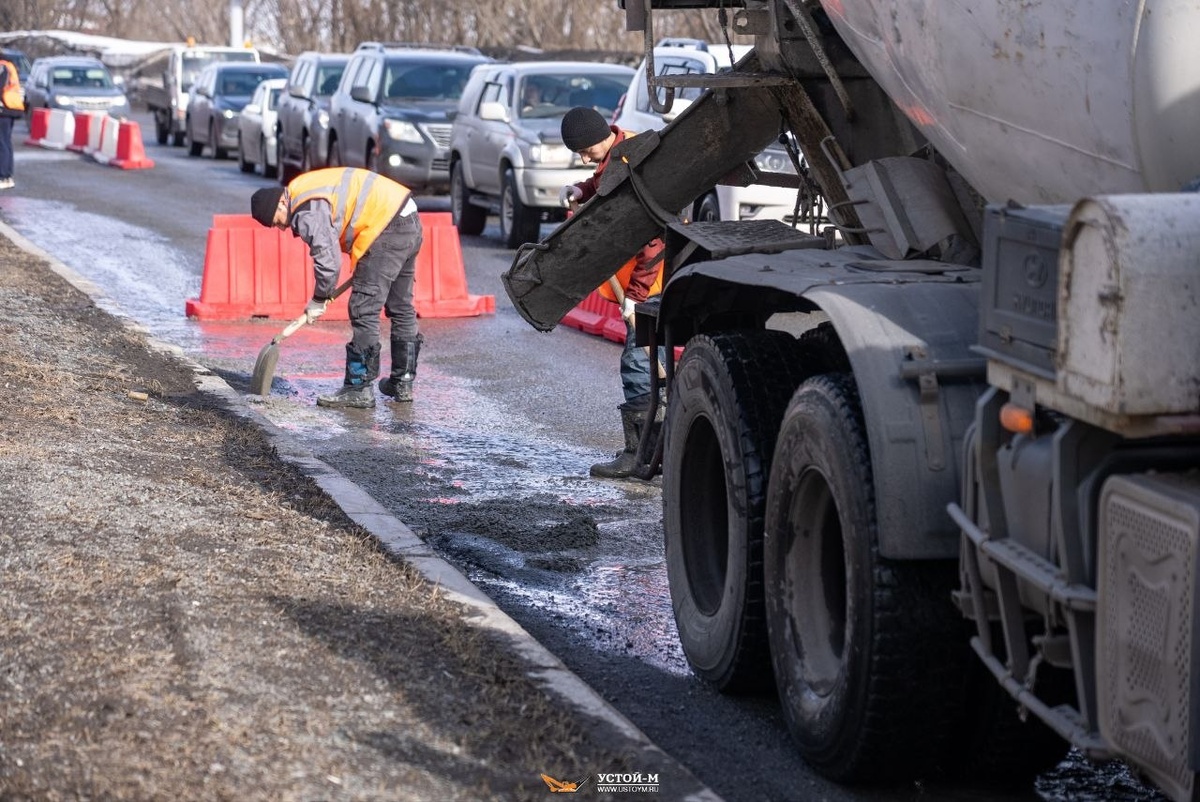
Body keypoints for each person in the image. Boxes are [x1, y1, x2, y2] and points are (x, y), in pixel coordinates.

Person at [249, 167, 424, 409]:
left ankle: (358, 388)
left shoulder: (305, 207)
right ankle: (402, 382)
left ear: (280, 204)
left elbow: (328, 260)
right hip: (407, 216)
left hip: (386, 226)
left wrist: (319, 299)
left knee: (363, 308)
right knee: (400, 305)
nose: (282, 229)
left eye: (276, 222)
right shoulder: (303, 187)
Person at [557, 106, 666, 480]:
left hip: (653, 284)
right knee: (655, 366)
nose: (583, 157)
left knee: (639, 363)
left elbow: (653, 239)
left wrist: (635, 296)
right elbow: (604, 185)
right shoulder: (621, 152)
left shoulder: (631, 161)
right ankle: (658, 455)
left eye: (584, 150)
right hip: (652, 285)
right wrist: (582, 189)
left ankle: (641, 458)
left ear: (596, 137)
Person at [0, 54, 23, 190]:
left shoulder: (2, 67)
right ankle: (7, 176)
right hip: (10, 108)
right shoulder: (8, 65)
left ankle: (3, 176)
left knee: (2, 143)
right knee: (6, 142)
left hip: (3, 109)